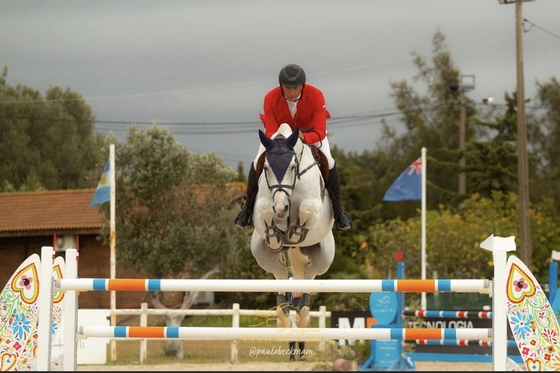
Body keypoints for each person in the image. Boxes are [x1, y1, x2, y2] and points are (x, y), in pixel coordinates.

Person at [234, 64, 353, 231]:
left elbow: (319, 131)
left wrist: (303, 137)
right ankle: (247, 209)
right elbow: (270, 129)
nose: (291, 92)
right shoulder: (270, 97)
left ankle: (339, 210)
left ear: (302, 86)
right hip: (279, 137)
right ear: (281, 85)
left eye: (295, 88)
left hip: (309, 135)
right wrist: (280, 140)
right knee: (256, 162)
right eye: (287, 88)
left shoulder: (316, 95)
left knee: (330, 161)